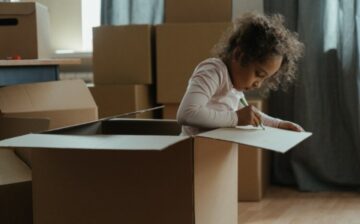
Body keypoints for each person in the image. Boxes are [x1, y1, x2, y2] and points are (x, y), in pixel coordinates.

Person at [177, 12, 305, 136]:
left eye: (265, 78)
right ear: (239, 55)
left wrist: (278, 124)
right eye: (258, 74)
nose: (258, 84)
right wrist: (236, 118)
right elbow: (187, 113)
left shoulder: (234, 88)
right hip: (191, 153)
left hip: (214, 152)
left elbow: (252, 116)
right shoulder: (213, 71)